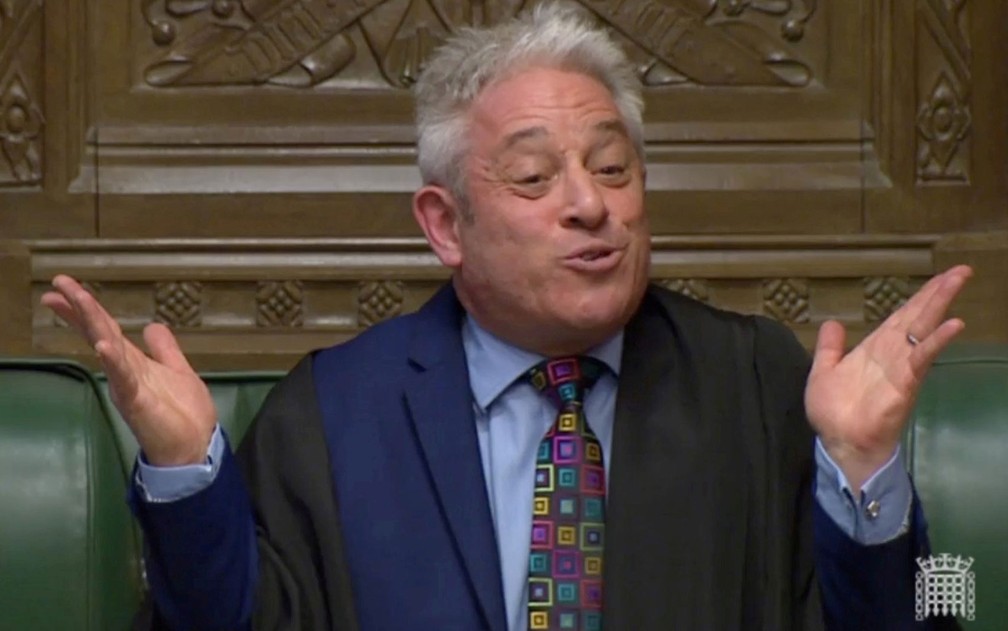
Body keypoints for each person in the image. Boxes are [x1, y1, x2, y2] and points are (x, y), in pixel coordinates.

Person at [43, 3, 970, 630]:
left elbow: (942, 605)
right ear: (445, 224)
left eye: (613, 167)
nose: (591, 205)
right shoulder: (330, 411)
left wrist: (871, 479)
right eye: (534, 178)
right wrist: (183, 473)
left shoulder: (764, 377)